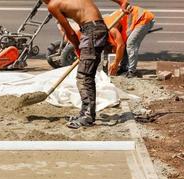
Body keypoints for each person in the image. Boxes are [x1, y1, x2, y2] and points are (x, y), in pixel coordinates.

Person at [43, 0, 129, 129]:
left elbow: (70, 32)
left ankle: (87, 116)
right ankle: (85, 112)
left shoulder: (53, 5)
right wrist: (121, 1)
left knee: (84, 77)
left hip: (91, 32)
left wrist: (77, 49)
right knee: (87, 76)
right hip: (98, 28)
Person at [104, 6, 155, 77]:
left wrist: (115, 64)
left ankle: (132, 72)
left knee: (131, 44)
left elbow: (120, 46)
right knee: (125, 44)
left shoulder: (111, 29)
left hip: (143, 18)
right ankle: (123, 68)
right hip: (134, 20)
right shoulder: (104, 27)